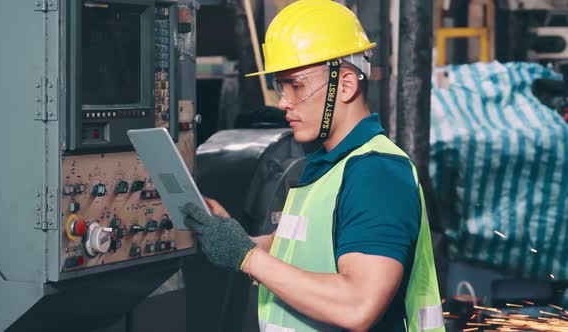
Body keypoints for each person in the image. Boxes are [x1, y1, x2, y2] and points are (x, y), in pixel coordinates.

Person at [180, 0, 444, 331]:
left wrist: (248, 257)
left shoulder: (377, 173)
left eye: (297, 85)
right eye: (280, 85)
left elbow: (358, 305)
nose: (283, 102)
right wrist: (231, 238)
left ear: (345, 85)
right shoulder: (328, 166)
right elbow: (295, 249)